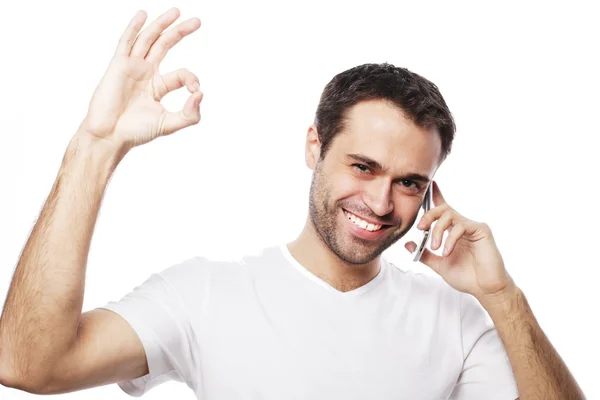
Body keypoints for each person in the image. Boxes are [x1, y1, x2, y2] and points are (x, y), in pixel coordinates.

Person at [0, 7, 585, 400]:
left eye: (409, 182)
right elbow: (28, 363)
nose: (381, 203)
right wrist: (95, 147)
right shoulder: (203, 296)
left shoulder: (456, 321)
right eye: (363, 167)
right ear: (315, 146)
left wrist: (502, 298)